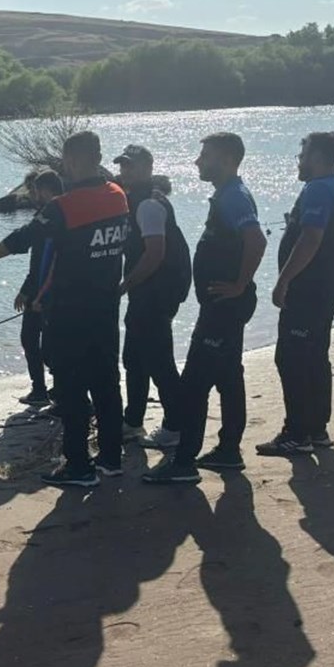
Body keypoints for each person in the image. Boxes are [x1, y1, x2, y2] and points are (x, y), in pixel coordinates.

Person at [0, 131, 130, 488]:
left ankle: (78, 466)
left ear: (71, 160)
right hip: (106, 308)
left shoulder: (65, 206)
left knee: (70, 387)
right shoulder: (119, 197)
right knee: (106, 383)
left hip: (70, 310)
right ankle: (111, 457)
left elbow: (23, 238)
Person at [144, 133, 267, 485]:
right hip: (225, 304)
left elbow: (256, 239)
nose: (198, 162)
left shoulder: (234, 197)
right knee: (229, 376)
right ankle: (228, 450)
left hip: (224, 306)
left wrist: (241, 283)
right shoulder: (227, 195)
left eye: (206, 156)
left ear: (227, 160)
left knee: (194, 384)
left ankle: (183, 462)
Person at [258, 132, 334, 456]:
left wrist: (283, 280)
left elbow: (312, 238)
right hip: (330, 284)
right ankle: (316, 428)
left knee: (291, 356)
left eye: (302, 155)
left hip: (310, 287)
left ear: (317, 157)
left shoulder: (319, 189)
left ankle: (297, 432)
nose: (299, 161)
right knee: (315, 355)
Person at [114, 145, 192, 450]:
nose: (125, 172)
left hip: (157, 292)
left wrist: (123, 286)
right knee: (133, 358)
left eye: (131, 166)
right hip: (145, 291)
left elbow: (155, 253)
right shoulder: (135, 200)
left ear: (148, 166)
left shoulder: (148, 204)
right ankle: (133, 422)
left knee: (158, 361)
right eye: (122, 166)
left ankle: (176, 425)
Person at [14, 170, 64, 406]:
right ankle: (49, 388)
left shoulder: (48, 218)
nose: (32, 195)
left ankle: (45, 389)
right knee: (36, 341)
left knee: (40, 343)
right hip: (44, 287)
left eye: (34, 190)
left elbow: (41, 263)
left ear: (45, 190)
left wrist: (28, 291)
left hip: (44, 291)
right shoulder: (52, 215)